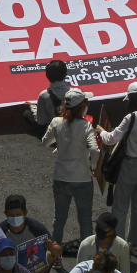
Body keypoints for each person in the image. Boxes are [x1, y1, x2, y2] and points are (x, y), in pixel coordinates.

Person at [94, 83, 137, 255]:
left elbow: (110, 139)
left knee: (120, 207)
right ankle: (136, 245)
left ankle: (119, 246)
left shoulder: (131, 118)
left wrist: (100, 130)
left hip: (130, 165)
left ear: (131, 99)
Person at [41, 88, 98, 244]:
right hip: (82, 179)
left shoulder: (56, 122)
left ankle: (55, 254)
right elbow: (94, 149)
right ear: (82, 107)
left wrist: (60, 144)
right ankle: (86, 256)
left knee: (59, 219)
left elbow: (45, 142)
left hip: (61, 177)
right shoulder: (86, 126)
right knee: (85, 219)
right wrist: (93, 167)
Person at [0, 194, 61, 273]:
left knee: (50, 255)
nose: (15, 218)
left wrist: (52, 248)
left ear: (25, 212)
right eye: (11, 216)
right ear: (5, 214)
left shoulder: (36, 227)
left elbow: (57, 250)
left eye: (18, 214)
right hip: (11, 271)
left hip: (32, 268)